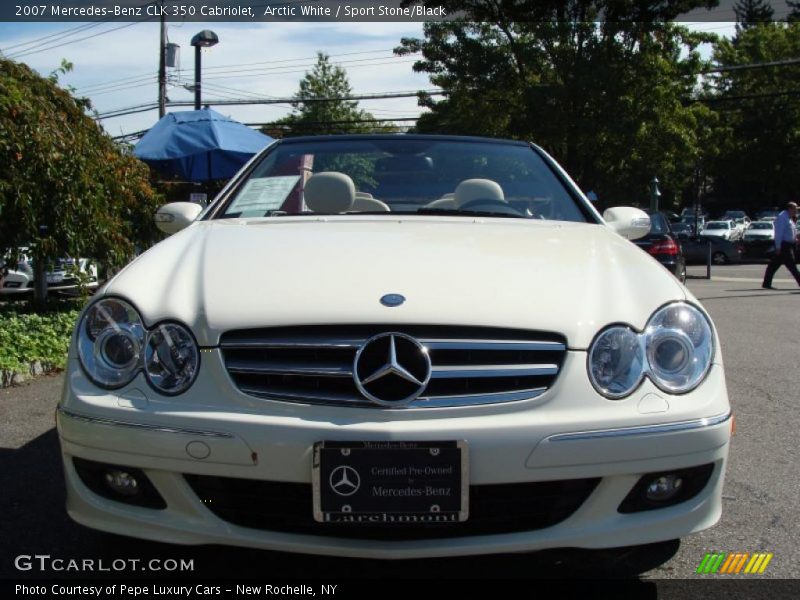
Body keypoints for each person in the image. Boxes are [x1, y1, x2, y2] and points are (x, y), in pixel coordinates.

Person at [762, 201, 800, 289]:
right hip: (784, 246)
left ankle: (766, 283)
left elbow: (790, 232)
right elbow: (778, 234)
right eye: (795, 209)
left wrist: (796, 239)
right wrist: (778, 247)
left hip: (788, 245)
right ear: (790, 209)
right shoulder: (782, 218)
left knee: (773, 265)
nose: (796, 211)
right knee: (792, 266)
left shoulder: (789, 217)